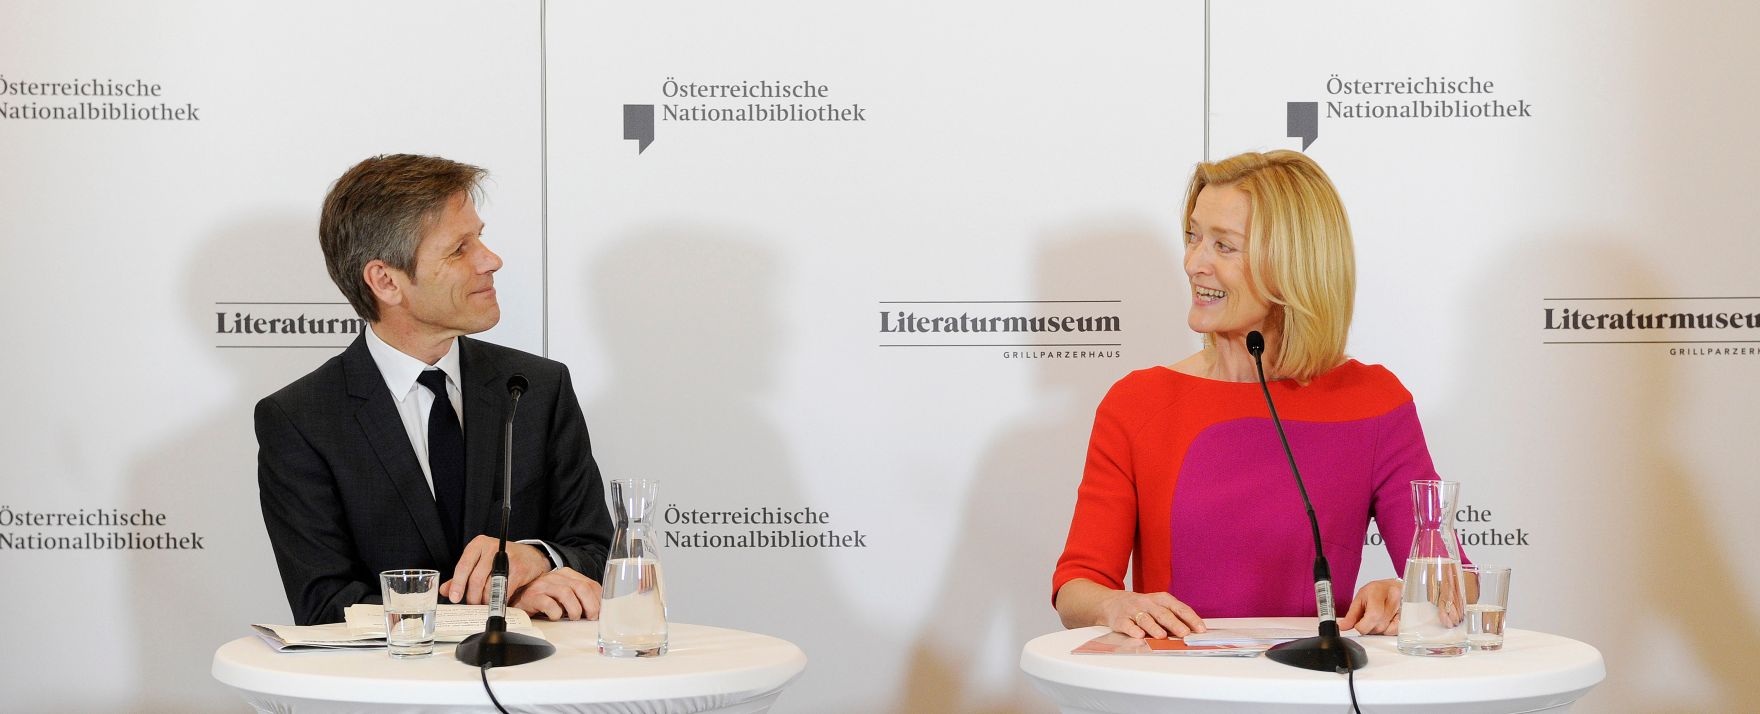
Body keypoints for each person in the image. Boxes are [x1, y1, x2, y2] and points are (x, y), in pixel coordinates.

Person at [1052, 150, 1442, 639]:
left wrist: (1403, 593)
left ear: (1293, 266)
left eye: (1224, 246)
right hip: (1176, 693)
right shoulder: (1137, 401)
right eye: (1193, 237)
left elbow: (1453, 582)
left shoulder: (1374, 401)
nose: (1195, 263)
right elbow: (1077, 584)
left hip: (1314, 693)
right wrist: (1113, 605)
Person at [256, 154, 612, 625]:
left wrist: (540, 558)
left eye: (480, 237)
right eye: (459, 248)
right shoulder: (301, 419)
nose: (491, 260)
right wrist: (495, 608)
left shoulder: (537, 387)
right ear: (386, 280)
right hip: (397, 695)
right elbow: (326, 606)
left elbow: (595, 549)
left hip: (535, 688)